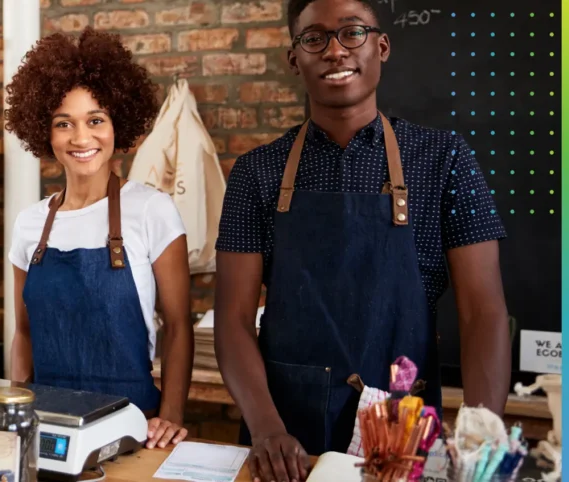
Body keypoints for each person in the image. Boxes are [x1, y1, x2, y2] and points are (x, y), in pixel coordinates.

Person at [213, 0, 512, 479]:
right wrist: (267, 429)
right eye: (314, 38)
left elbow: (484, 312)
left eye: (352, 32)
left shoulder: (443, 159)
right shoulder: (257, 172)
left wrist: (480, 437)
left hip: (401, 423)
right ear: (294, 58)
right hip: (286, 442)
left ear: (382, 46)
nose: (334, 50)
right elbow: (232, 318)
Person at [5, 26, 195, 449]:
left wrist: (172, 416)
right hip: (47, 428)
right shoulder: (29, 225)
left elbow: (180, 327)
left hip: (133, 429)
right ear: (44, 132)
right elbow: (25, 334)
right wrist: (14, 412)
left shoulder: (152, 210)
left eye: (96, 120)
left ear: (117, 125)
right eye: (63, 123)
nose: (81, 138)